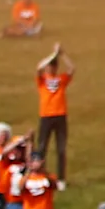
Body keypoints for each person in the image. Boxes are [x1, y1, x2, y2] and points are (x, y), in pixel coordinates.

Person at [32, 48, 72, 177]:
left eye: (54, 66)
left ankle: (61, 178)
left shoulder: (61, 79)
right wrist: (52, 54)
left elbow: (72, 69)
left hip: (60, 115)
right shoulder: (42, 80)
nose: (51, 68)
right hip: (46, 116)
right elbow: (38, 68)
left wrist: (62, 54)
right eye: (50, 66)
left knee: (61, 149)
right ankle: (40, 173)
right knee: (42, 147)